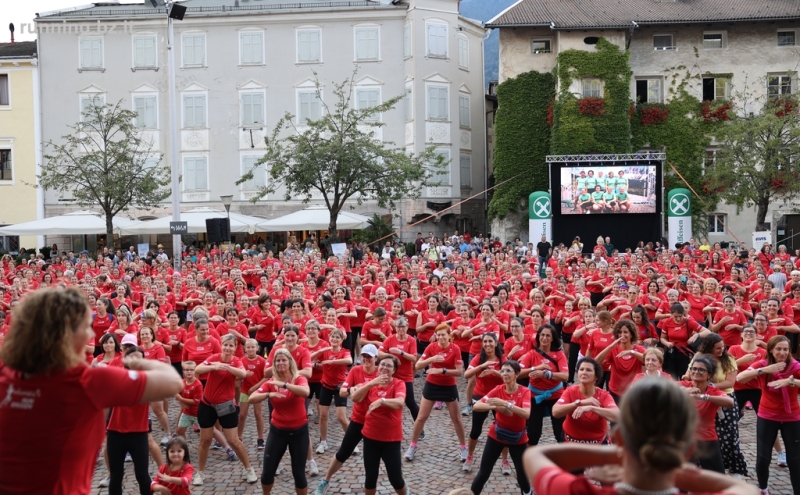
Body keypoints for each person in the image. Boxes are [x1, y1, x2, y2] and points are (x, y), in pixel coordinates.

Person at [0, 288, 182, 495]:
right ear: (67, 333)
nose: (90, 334)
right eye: (86, 326)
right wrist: (132, 361)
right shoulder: (88, 381)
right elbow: (172, 381)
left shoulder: (6, 376)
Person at [524, 378, 758, 495]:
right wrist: (676, 469)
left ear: (621, 440)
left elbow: (535, 455)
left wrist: (617, 455)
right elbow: (744, 490)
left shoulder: (582, 490)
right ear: (687, 450)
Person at [314, 344, 379, 495]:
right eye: (364, 356)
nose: (366, 359)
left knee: (378, 460)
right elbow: (342, 391)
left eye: (369, 357)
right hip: (358, 420)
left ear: (376, 358)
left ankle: (400, 486)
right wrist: (351, 389)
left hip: (375, 422)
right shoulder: (356, 370)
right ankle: (325, 480)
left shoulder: (380, 372)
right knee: (342, 453)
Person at [738, 335, 800, 494]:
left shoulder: (795, 366)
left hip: (791, 417)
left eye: (785, 349)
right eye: (778, 349)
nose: (782, 352)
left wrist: (791, 381)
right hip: (767, 416)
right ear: (771, 350)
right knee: (763, 458)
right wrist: (764, 370)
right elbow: (740, 377)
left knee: (795, 460)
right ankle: (763, 489)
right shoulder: (763, 364)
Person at [193, 334, 258, 485]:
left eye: (231, 345)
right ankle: (200, 473)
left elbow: (242, 374)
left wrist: (229, 367)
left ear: (235, 348)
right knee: (205, 440)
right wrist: (214, 366)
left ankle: (249, 469)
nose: (228, 348)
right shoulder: (214, 357)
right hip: (207, 403)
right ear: (221, 345)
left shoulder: (236, 361)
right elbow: (198, 369)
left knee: (234, 440)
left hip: (226, 405)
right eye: (225, 345)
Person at [249, 348, 311, 495]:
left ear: (290, 362)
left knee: (299, 474)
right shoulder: (271, 382)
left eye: (284, 360)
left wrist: (284, 385)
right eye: (278, 360)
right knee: (267, 473)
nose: (281, 363)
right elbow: (252, 398)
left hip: (299, 432)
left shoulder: (299, 378)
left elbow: (305, 392)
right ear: (274, 364)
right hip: (277, 432)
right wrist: (269, 393)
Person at [106, 346, 166, 495]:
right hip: (115, 433)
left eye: (140, 358)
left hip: (138, 434)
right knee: (116, 476)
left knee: (142, 475)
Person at [688, 333, 749, 477]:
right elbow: (689, 374)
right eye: (718, 348)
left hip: (723, 397)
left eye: (723, 347)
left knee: (729, 436)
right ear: (709, 348)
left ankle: (734, 469)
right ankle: (702, 467)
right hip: (702, 399)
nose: (722, 350)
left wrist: (710, 387)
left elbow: (730, 382)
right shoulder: (700, 357)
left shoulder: (728, 359)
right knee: (703, 432)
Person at [405, 324, 467, 462]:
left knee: (456, 419)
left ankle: (463, 447)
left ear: (449, 336)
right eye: (438, 335)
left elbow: (459, 372)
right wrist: (431, 360)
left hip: (449, 385)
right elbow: (418, 365)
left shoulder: (455, 348)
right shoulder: (432, 347)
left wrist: (443, 370)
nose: (441, 337)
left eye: (443, 335)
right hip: (432, 384)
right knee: (421, 417)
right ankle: (413, 445)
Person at [469, 360, 532, 495]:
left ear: (516, 374)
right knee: (483, 473)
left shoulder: (525, 391)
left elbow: (526, 414)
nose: (504, 373)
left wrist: (506, 405)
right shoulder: (497, 389)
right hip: (496, 435)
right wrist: (495, 407)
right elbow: (476, 406)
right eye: (502, 371)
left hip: (518, 439)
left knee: (522, 477)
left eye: (508, 371)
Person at [351, 355, 409, 495]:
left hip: (391, 439)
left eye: (389, 366)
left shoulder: (398, 384)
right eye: (382, 364)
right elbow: (355, 398)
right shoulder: (372, 383)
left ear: (394, 370)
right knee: (370, 478)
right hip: (370, 437)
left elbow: (400, 402)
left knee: (395, 478)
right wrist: (370, 384)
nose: (385, 368)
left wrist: (382, 401)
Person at [679, 355, 733, 473]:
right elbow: (662, 388)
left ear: (709, 375)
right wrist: (684, 390)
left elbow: (730, 402)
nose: (696, 372)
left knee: (718, 478)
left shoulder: (713, 392)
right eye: (694, 369)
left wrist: (704, 397)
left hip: (707, 439)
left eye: (701, 370)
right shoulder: (683, 385)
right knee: (681, 481)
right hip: (684, 439)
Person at [463, 332, 508, 472]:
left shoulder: (502, 358)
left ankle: (505, 461)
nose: (487, 344)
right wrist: (483, 366)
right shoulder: (478, 358)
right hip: (481, 396)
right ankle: (469, 457)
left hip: (499, 396)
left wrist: (494, 372)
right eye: (485, 341)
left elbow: (510, 377)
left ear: (496, 343)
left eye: (490, 341)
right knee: (476, 430)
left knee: (503, 429)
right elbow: (466, 374)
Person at [521, 323, 568, 446]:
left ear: (553, 338)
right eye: (542, 335)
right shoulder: (531, 354)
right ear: (538, 337)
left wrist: (546, 374)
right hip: (535, 396)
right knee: (533, 433)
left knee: (561, 432)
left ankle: (566, 461)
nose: (544, 338)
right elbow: (518, 373)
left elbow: (565, 376)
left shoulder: (559, 354)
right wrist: (535, 368)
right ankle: (529, 463)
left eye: (548, 335)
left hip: (556, 395)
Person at [553, 357, 618, 444]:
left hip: (598, 445)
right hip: (570, 443)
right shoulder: (570, 391)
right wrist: (579, 403)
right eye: (581, 369)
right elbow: (555, 412)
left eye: (588, 370)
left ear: (596, 377)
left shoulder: (604, 395)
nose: (584, 372)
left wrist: (591, 408)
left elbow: (617, 415)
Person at [313, 328, 353, 454]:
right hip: (325, 386)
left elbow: (349, 361)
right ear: (329, 338)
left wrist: (332, 361)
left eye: (337, 337)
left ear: (341, 340)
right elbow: (308, 358)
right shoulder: (325, 351)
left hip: (340, 387)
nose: (334, 339)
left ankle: (351, 441)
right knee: (323, 416)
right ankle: (323, 442)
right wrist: (320, 351)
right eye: (333, 337)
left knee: (341, 417)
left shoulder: (344, 351)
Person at [378, 316, 420, 425]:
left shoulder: (411, 340)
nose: (401, 329)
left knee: (410, 402)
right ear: (395, 327)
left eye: (403, 327)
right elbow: (379, 353)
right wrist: (392, 356)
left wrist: (400, 352)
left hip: (406, 376)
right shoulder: (390, 338)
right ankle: (385, 423)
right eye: (398, 327)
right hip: (391, 376)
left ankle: (420, 427)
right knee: (386, 400)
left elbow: (414, 358)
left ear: (407, 327)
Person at [592, 319, 645, 403]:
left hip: (633, 391)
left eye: (625, 332)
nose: (622, 335)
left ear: (631, 334)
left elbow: (649, 360)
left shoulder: (639, 349)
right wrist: (609, 347)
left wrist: (632, 352)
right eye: (620, 332)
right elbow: (596, 363)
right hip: (615, 391)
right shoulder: (614, 349)